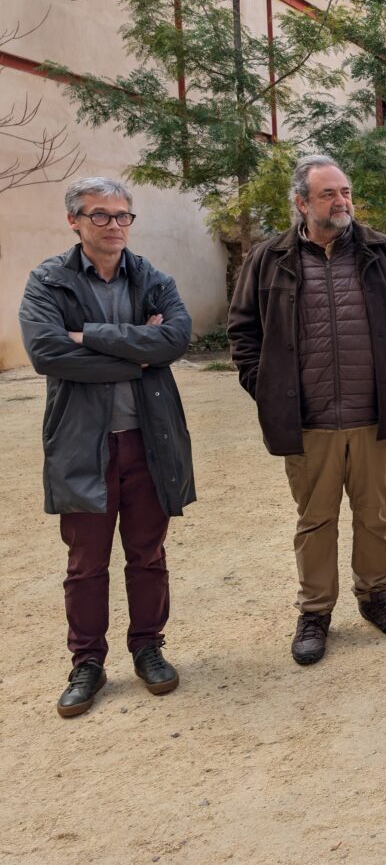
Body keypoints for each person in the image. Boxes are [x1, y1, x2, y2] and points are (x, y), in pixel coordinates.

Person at [227, 154, 386, 666]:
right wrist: (267, 388)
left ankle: (375, 596)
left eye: (345, 192)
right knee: (315, 520)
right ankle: (315, 611)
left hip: (374, 416)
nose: (341, 202)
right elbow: (243, 331)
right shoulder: (269, 259)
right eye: (328, 195)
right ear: (301, 202)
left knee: (375, 516)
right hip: (309, 421)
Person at [19, 177, 195, 717]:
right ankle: (86, 663)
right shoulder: (48, 281)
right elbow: (47, 352)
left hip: (148, 441)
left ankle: (148, 646)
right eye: (101, 215)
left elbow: (176, 339)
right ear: (74, 220)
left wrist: (87, 336)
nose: (115, 225)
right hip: (82, 443)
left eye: (123, 216)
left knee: (148, 554)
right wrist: (138, 352)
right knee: (86, 564)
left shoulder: (152, 278)